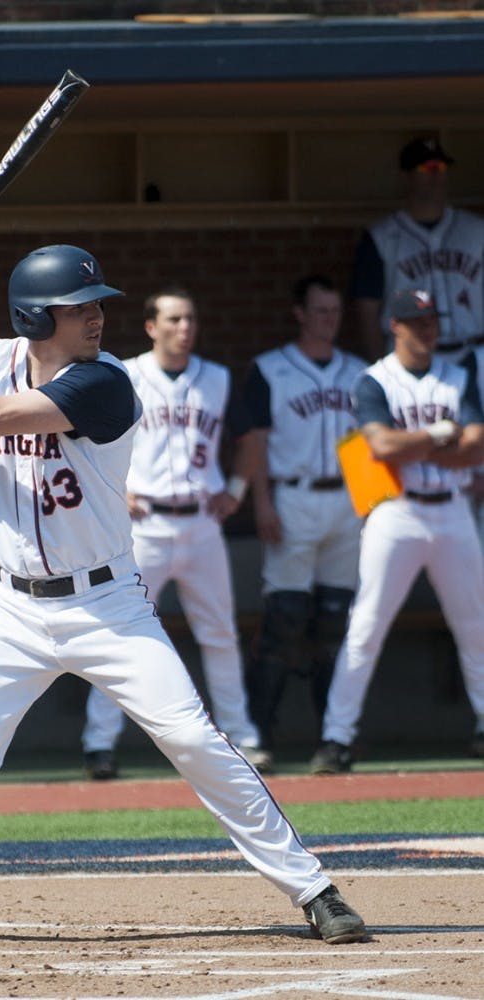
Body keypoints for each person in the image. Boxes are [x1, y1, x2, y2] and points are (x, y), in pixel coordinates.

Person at [0, 244, 366, 946]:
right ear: (35, 317)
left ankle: (313, 888)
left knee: (192, 737)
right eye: (79, 308)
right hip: (8, 608)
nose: (97, 317)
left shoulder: (104, 382)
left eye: (97, 305)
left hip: (106, 604)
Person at [81, 286, 267, 780]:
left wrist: (239, 488)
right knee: (118, 634)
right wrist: (111, 492)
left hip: (202, 520)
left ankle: (242, 735)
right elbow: (83, 440)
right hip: (143, 525)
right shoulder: (124, 374)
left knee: (220, 632)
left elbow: (250, 439)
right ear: (151, 327)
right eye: (174, 320)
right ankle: (99, 744)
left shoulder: (218, 379)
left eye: (189, 320)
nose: (184, 329)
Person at [310, 287, 484, 774]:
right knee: (365, 627)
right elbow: (382, 445)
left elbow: (477, 447)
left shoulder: (457, 374)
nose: (426, 329)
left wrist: (423, 446)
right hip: (396, 512)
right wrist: (439, 435)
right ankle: (336, 738)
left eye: (431, 321)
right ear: (396, 325)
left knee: (476, 626)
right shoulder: (374, 380)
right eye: (416, 321)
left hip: (451, 509)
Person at [241, 275, 365, 769]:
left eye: (334, 311)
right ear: (300, 314)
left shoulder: (358, 371)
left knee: (335, 622)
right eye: (320, 311)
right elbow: (256, 442)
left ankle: (332, 740)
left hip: (345, 502)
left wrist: (367, 506)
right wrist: (263, 504)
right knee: (284, 621)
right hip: (292, 497)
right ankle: (259, 736)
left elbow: (363, 444)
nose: (328, 320)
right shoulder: (272, 369)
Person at [350, 135, 484, 363]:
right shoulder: (381, 237)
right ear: (406, 176)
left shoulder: (476, 230)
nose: (436, 175)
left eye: (441, 167)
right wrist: (380, 367)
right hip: (410, 361)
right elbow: (367, 312)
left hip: (474, 353)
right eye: (427, 167)